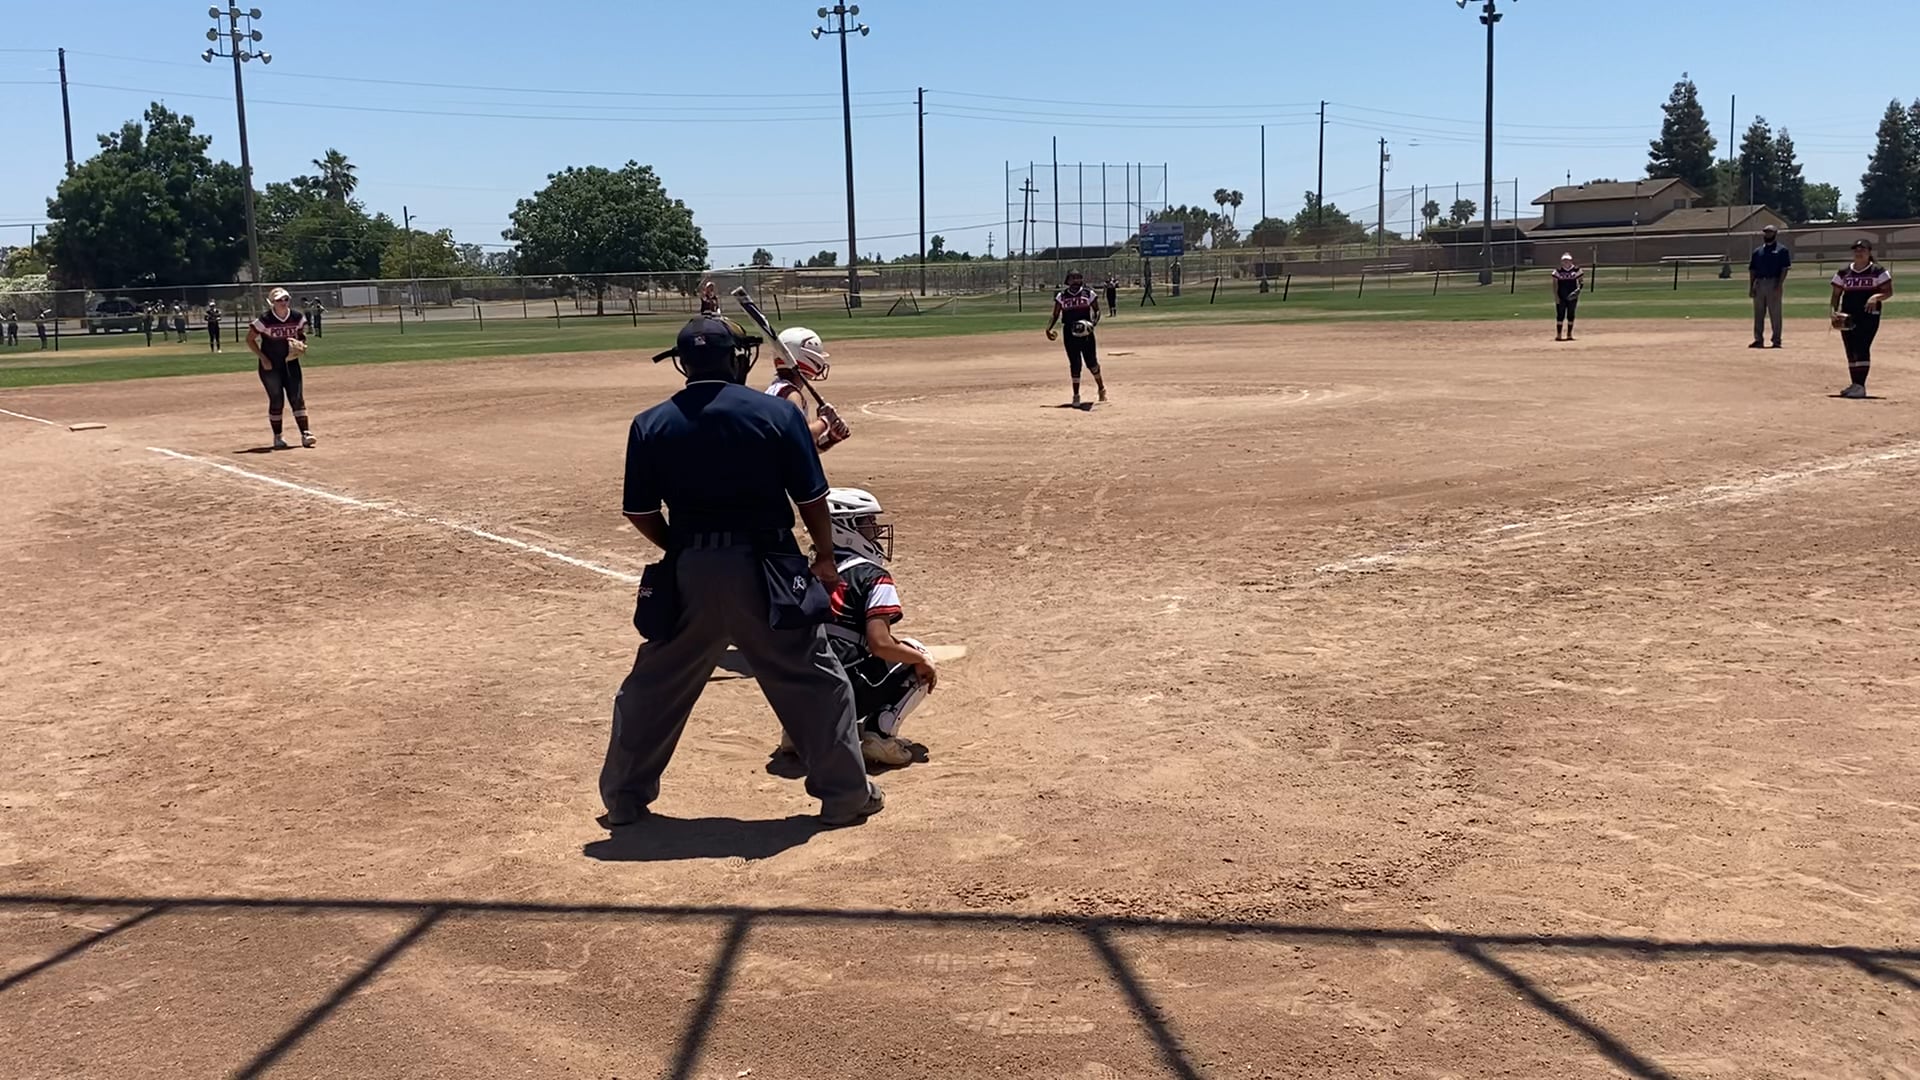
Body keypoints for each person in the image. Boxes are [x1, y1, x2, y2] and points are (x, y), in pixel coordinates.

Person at [600, 313, 883, 829]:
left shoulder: (650, 423)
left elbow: (639, 511)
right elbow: (811, 498)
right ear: (736, 359)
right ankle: (845, 796)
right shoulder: (776, 414)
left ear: (684, 364)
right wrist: (824, 555)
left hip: (690, 570)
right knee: (814, 681)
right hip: (767, 568)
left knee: (654, 687)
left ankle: (623, 798)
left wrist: (681, 549)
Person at [772, 487, 937, 769]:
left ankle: (798, 731)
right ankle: (879, 736)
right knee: (915, 652)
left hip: (795, 691)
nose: (875, 530)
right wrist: (920, 660)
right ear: (843, 529)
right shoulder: (873, 576)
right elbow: (880, 644)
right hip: (838, 690)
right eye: (866, 522)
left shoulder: (805, 570)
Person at [248, 287, 316, 449]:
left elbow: (301, 336)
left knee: (297, 398)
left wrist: (301, 345)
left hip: (291, 363)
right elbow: (250, 339)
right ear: (272, 302)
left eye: (286, 299)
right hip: (271, 366)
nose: (283, 302)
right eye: (279, 300)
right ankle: (278, 436)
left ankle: (305, 433)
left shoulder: (297, 317)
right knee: (277, 400)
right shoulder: (265, 319)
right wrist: (263, 358)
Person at [767, 326, 850, 452]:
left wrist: (831, 438)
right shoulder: (791, 394)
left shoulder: (778, 388)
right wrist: (825, 421)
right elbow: (801, 436)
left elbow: (803, 449)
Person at [1830, 238, 1894, 399]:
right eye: (1856, 250)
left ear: (1869, 252)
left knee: (1861, 347)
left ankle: (1860, 386)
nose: (1859, 253)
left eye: (1863, 250)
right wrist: (1834, 312)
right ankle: (1855, 384)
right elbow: (1836, 294)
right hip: (1848, 316)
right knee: (1851, 350)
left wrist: (1875, 297)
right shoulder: (1844, 272)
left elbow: (1888, 292)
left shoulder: (1878, 270)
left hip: (1869, 315)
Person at [1045, 269, 1105, 409]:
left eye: (1079, 278)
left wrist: (1093, 323)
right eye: (1073, 278)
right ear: (1068, 280)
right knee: (1075, 363)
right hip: (1069, 332)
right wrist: (1048, 328)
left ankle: (1101, 388)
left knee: (1092, 363)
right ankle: (1076, 395)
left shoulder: (1088, 293)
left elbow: (1097, 310)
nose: (1076, 280)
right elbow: (1055, 314)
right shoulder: (1062, 296)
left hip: (1086, 333)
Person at [1749, 224, 1792, 349]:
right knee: (1758, 313)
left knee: (1775, 313)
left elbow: (1784, 269)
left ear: (1775, 234)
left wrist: (1779, 284)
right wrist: (1751, 286)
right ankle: (1758, 339)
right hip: (1759, 283)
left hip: (1774, 282)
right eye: (1766, 232)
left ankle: (1776, 340)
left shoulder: (1781, 250)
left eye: (1770, 232)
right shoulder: (1757, 251)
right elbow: (1752, 270)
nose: (1767, 234)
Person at [1551, 252, 1583, 341]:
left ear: (1571, 261)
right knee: (1560, 315)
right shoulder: (1558, 271)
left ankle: (1569, 334)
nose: (1566, 262)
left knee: (1571, 315)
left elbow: (1581, 281)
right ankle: (1559, 335)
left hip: (1572, 296)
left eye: (1568, 260)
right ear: (1561, 261)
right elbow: (1555, 285)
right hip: (1561, 296)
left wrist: (1578, 290)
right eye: (1564, 260)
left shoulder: (1576, 270)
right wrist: (1556, 296)